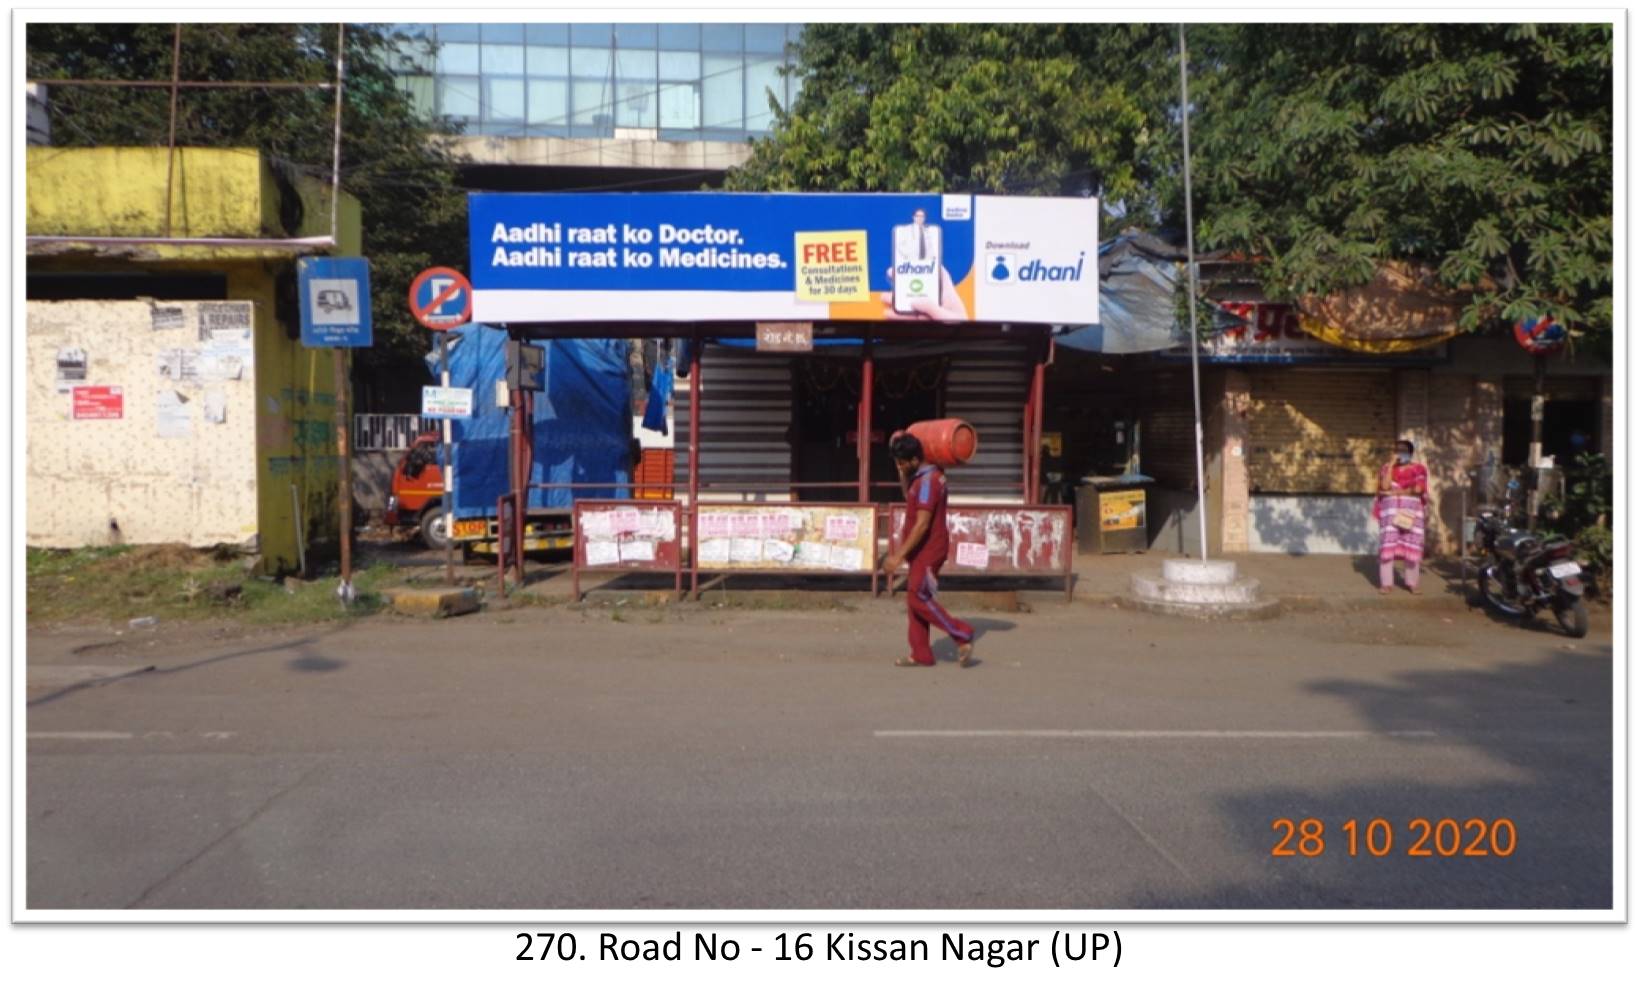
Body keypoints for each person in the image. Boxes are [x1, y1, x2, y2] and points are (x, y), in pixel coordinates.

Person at [880, 432, 976, 667]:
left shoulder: (928, 482)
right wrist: (902, 473)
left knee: (917, 596)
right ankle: (921, 653)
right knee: (915, 599)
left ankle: (961, 633)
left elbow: (923, 524)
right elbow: (908, 496)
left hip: (929, 548)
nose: (900, 467)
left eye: (902, 463)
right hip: (922, 548)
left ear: (914, 459)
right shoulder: (920, 477)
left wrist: (898, 556)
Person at [1374, 439, 1429, 594]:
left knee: (1412, 546)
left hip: (1412, 514)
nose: (1400, 453)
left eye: (1403, 450)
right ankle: (1386, 584)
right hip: (1390, 514)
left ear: (1410, 453)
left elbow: (1418, 489)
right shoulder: (1386, 468)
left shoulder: (1419, 469)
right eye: (1397, 449)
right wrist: (1391, 465)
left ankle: (1412, 583)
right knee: (1387, 547)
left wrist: (1398, 492)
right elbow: (1384, 487)